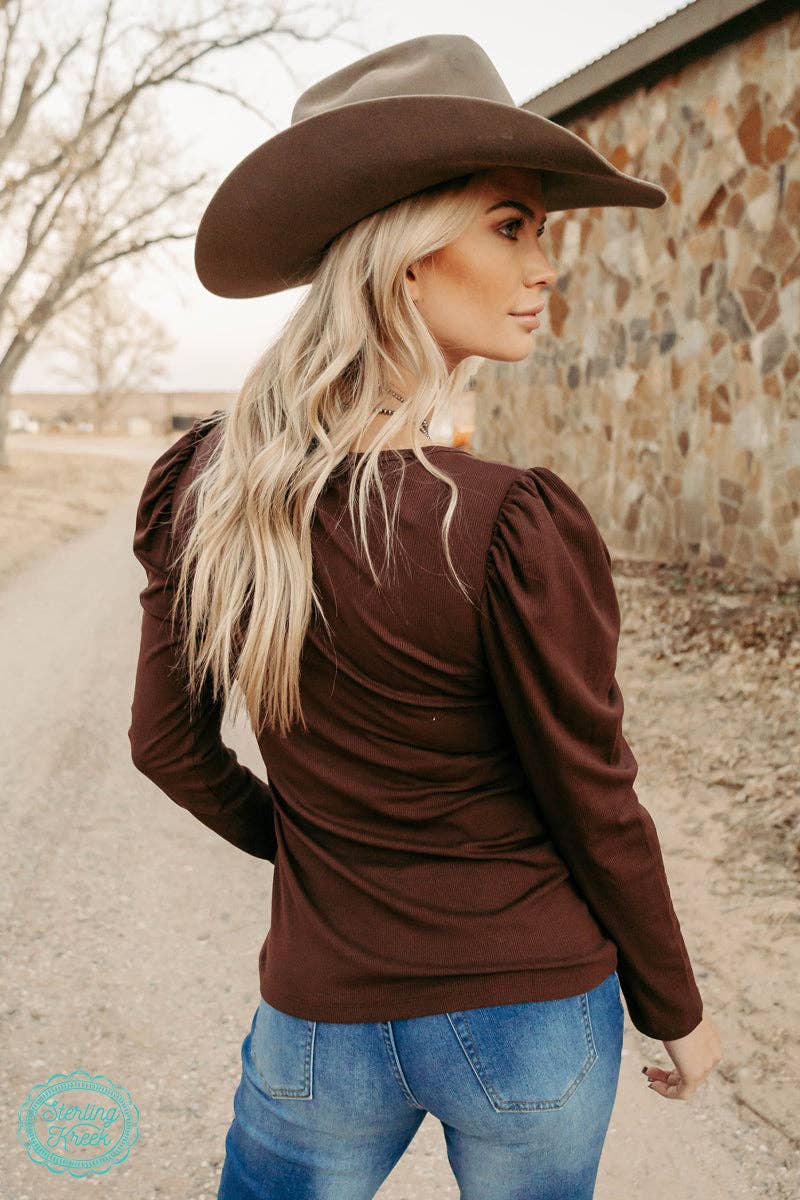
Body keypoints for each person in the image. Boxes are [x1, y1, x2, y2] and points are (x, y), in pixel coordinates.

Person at [128, 33, 723, 1200]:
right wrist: (676, 1005)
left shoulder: (206, 484)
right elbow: (591, 794)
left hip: (318, 1020)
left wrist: (312, 855)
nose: (546, 264)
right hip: (529, 1021)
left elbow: (164, 746)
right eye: (512, 224)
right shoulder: (505, 521)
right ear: (406, 257)